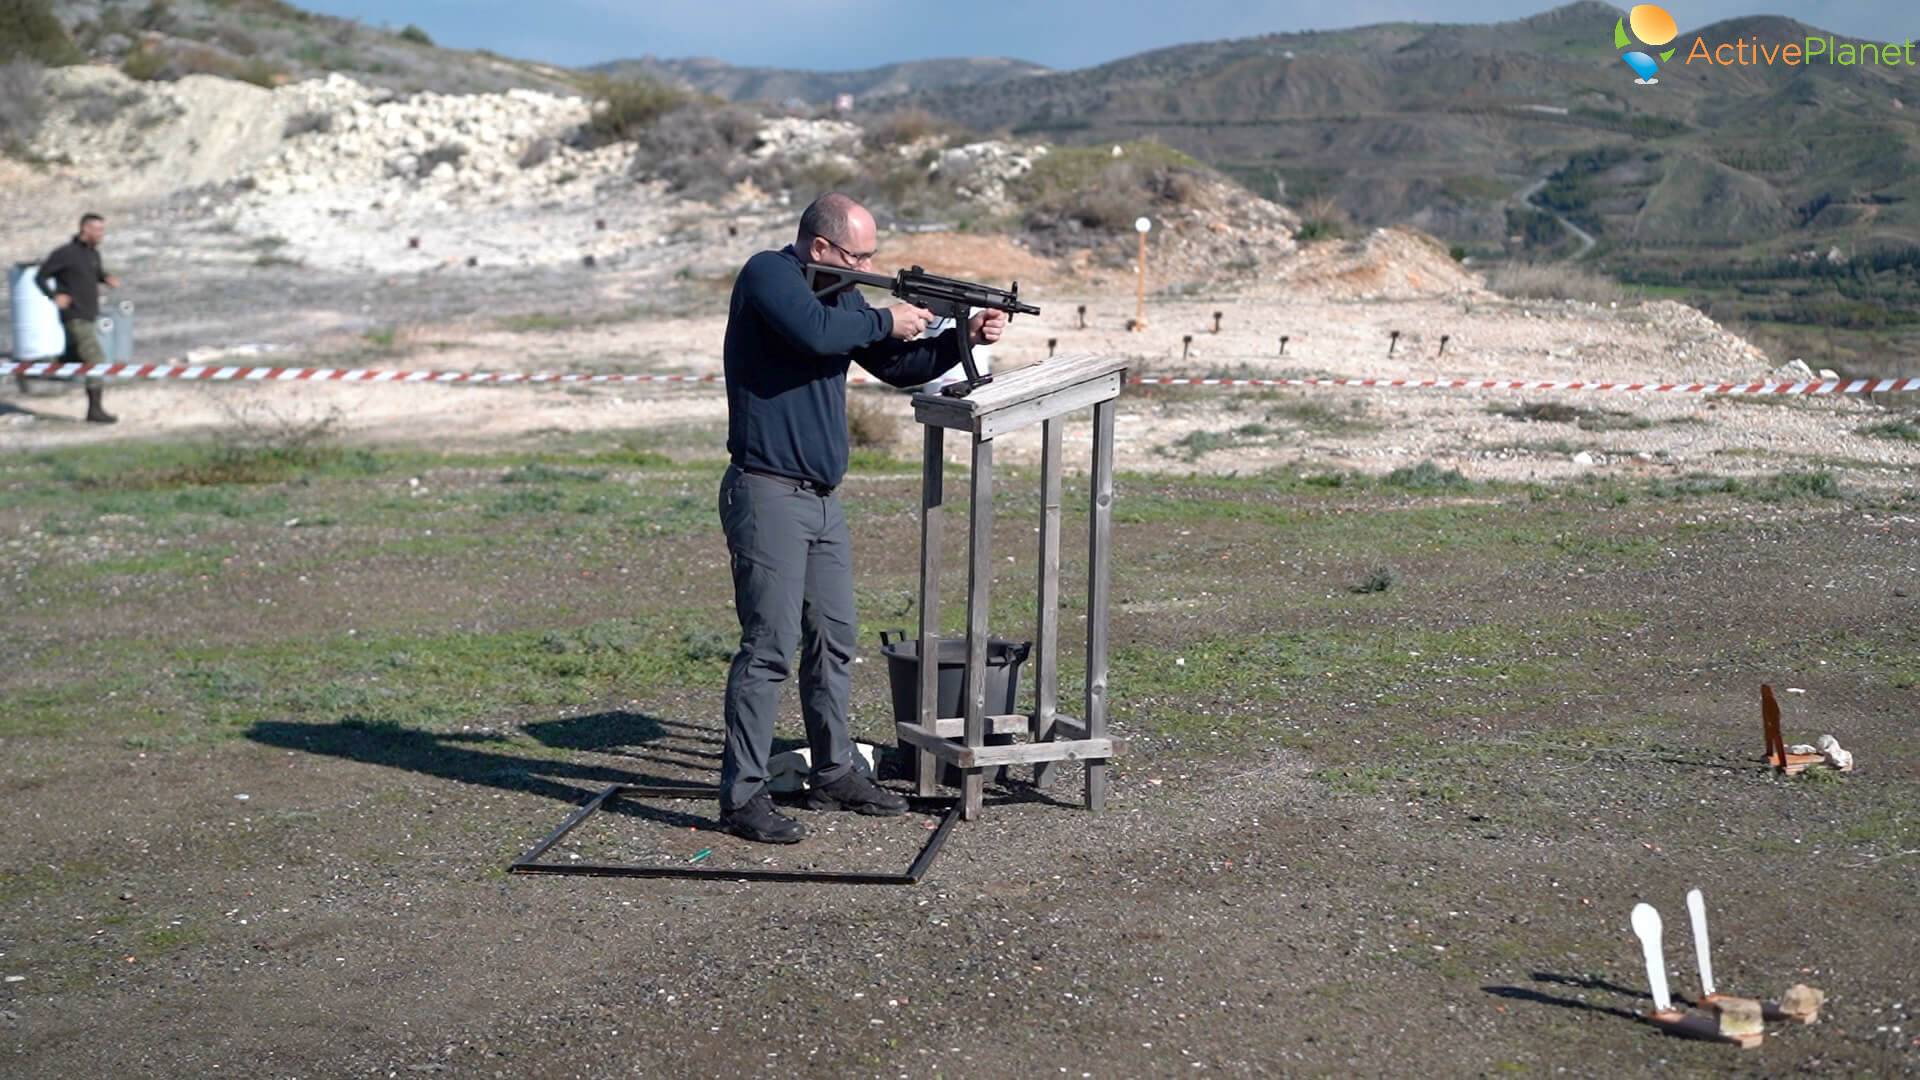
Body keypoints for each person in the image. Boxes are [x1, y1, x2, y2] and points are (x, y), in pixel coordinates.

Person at [715, 192, 1010, 844]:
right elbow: (819, 334)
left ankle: (835, 771)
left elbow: (899, 366)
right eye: (858, 255)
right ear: (820, 248)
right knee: (769, 649)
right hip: (767, 493)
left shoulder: (843, 295)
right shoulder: (770, 275)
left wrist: (960, 336)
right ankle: (741, 798)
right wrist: (887, 318)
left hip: (820, 499)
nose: (867, 265)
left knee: (834, 641)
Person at [35, 213, 121, 424]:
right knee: (96, 360)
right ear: (85, 229)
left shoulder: (93, 254)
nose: (102, 234)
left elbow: (95, 273)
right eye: (98, 230)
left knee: (70, 360)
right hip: (74, 316)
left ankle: (30, 370)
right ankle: (95, 411)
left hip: (89, 315)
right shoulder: (65, 253)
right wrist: (54, 295)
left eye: (103, 229)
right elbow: (40, 276)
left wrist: (105, 278)